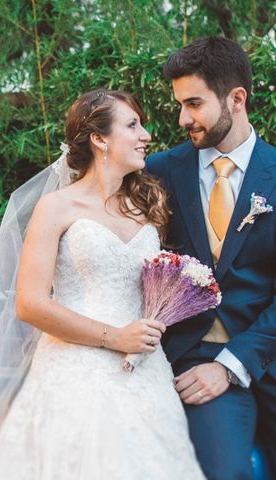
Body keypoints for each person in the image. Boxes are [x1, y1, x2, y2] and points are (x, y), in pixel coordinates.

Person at [0, 90, 204, 479]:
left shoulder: (148, 206)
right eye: (132, 125)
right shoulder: (56, 208)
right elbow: (30, 304)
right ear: (99, 138)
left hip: (145, 373)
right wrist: (115, 337)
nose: (146, 134)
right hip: (75, 372)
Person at [146, 36, 276, 479]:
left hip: (264, 353)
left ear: (236, 98)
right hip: (194, 364)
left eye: (195, 103)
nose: (184, 118)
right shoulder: (159, 172)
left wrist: (233, 364)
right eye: (180, 104)